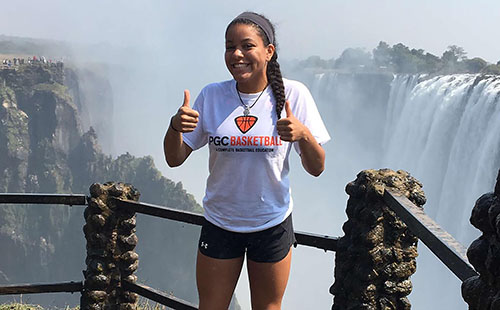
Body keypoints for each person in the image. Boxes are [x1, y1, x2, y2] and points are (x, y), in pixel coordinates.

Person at [163, 11, 330, 310]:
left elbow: (317, 167)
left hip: (271, 223)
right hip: (220, 221)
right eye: (229, 46)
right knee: (211, 306)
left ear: (269, 51)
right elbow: (174, 158)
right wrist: (175, 126)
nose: (237, 54)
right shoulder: (212, 95)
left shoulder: (294, 95)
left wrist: (303, 134)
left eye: (246, 45)